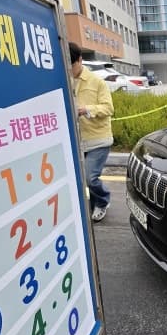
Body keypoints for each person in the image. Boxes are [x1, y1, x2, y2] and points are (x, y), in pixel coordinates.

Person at [69, 42, 114, 222]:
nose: (70, 69)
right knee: (84, 178)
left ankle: (103, 201)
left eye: (72, 65)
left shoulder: (97, 82)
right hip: (78, 140)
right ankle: (95, 203)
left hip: (98, 139)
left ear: (80, 60)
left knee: (90, 177)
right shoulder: (66, 80)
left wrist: (86, 110)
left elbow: (108, 108)